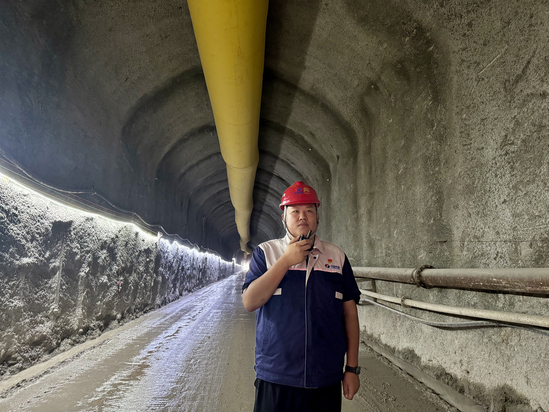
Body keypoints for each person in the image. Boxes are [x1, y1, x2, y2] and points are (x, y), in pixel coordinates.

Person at [242, 181, 361, 412]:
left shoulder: (336, 257)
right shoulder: (266, 253)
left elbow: (350, 315)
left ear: (317, 216)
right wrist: (286, 260)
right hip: (276, 375)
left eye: (309, 210)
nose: (302, 217)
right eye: (295, 211)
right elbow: (250, 302)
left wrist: (352, 369)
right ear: (284, 217)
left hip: (325, 377)